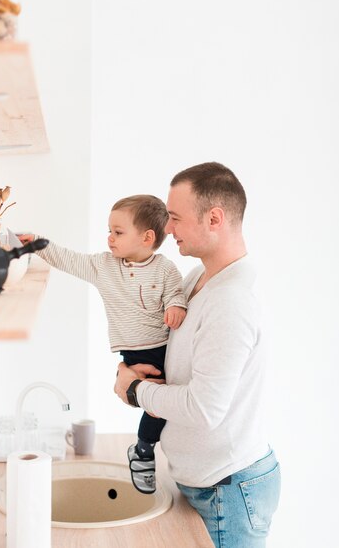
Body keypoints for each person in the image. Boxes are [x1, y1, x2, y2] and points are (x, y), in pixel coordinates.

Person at [114, 163, 281, 548]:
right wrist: (131, 372)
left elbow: (205, 407)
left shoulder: (231, 303)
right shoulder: (197, 281)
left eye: (175, 218)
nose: (167, 229)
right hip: (209, 483)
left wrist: (136, 390)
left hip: (228, 491)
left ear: (214, 218)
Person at [19, 194, 187, 494]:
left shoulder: (165, 269)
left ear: (147, 238)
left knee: (160, 406)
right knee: (153, 403)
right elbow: (69, 259)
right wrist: (38, 243)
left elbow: (176, 292)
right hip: (133, 352)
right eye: (109, 230)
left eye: (118, 232)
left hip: (164, 348)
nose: (109, 238)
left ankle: (144, 450)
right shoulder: (104, 266)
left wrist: (176, 306)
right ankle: (146, 450)